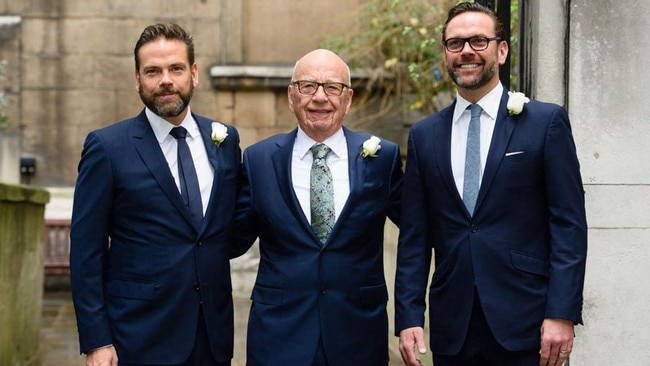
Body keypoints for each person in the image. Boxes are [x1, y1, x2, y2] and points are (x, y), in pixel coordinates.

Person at [394, 3, 588, 366]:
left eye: (478, 41)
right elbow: (415, 237)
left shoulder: (544, 123)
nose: (466, 51)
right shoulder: (424, 136)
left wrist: (561, 311)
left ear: (501, 50)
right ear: (446, 54)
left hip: (527, 322)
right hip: (453, 326)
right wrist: (408, 316)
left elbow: (568, 224)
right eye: (455, 43)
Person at [69, 23, 240, 366]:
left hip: (212, 335)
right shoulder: (107, 147)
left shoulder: (225, 140)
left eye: (175, 68)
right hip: (138, 336)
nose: (165, 80)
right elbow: (86, 252)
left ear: (193, 74)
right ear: (137, 79)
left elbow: (225, 228)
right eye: (153, 71)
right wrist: (96, 340)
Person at [230, 49, 403, 365]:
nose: (320, 97)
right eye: (308, 86)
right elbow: (229, 240)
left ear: (348, 99)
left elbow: (419, 231)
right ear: (291, 96)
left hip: (358, 335)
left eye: (332, 87)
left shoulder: (382, 158)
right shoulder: (258, 161)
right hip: (279, 337)